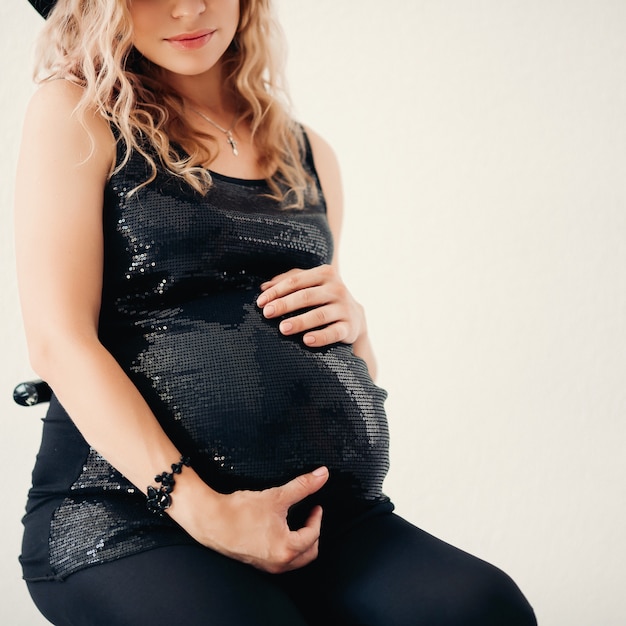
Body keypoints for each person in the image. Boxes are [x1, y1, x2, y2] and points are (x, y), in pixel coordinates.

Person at [15, 1, 537, 624]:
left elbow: (338, 361)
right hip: (131, 515)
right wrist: (204, 510)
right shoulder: (77, 113)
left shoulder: (309, 153)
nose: (189, 8)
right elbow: (59, 340)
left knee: (485, 608)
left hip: (324, 519)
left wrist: (356, 328)